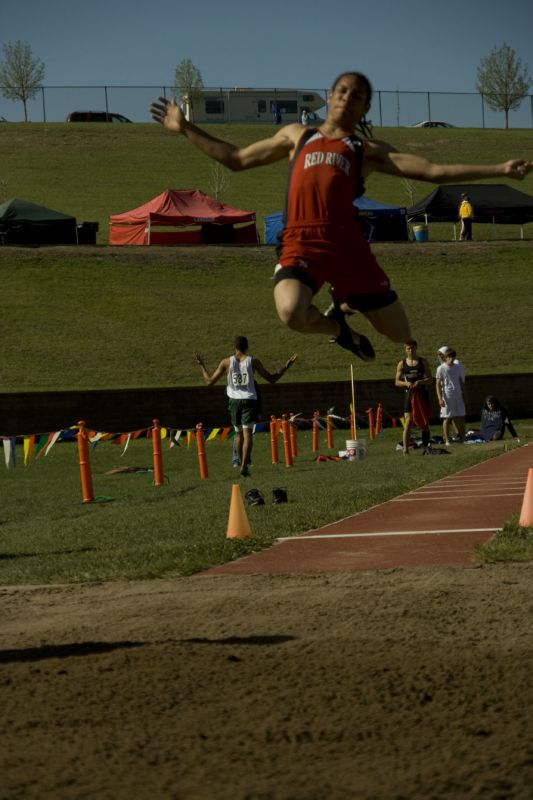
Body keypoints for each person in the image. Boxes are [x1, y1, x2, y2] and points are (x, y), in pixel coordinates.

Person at [150, 73, 532, 362]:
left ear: (365, 109)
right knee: (290, 313)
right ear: (330, 98)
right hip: (302, 241)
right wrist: (185, 128)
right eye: (343, 91)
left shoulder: (366, 150)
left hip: (347, 246)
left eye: (359, 96)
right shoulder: (297, 137)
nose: (349, 98)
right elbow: (235, 160)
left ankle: (346, 304)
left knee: (400, 335)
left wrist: (499, 167)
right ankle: (339, 329)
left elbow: (433, 171)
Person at [194, 337, 297, 476]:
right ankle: (244, 465)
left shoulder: (226, 362)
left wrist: (201, 365)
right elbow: (272, 379)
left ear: (234, 347)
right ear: (247, 347)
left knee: (238, 434)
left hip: (234, 401)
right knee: (248, 434)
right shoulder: (253, 362)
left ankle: (241, 463)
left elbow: (209, 381)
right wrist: (286, 366)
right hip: (249, 400)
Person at [394, 340, 433, 455]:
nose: (411, 351)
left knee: (424, 423)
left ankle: (426, 447)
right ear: (405, 350)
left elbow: (430, 379)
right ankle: (405, 449)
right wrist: (406, 384)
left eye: (412, 348)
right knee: (409, 421)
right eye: (408, 349)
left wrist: (421, 382)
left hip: (421, 394)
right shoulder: (402, 363)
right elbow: (396, 381)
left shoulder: (422, 361)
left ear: (416, 348)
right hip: (409, 395)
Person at [436, 349, 466, 445]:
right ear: (446, 358)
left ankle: (462, 437)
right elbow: (437, 384)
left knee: (461, 415)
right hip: (447, 396)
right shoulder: (441, 368)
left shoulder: (457, 367)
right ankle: (447, 439)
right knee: (447, 417)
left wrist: (464, 393)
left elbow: (460, 382)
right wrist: (440, 398)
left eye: (453, 357)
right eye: (449, 357)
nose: (451, 359)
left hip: (458, 394)